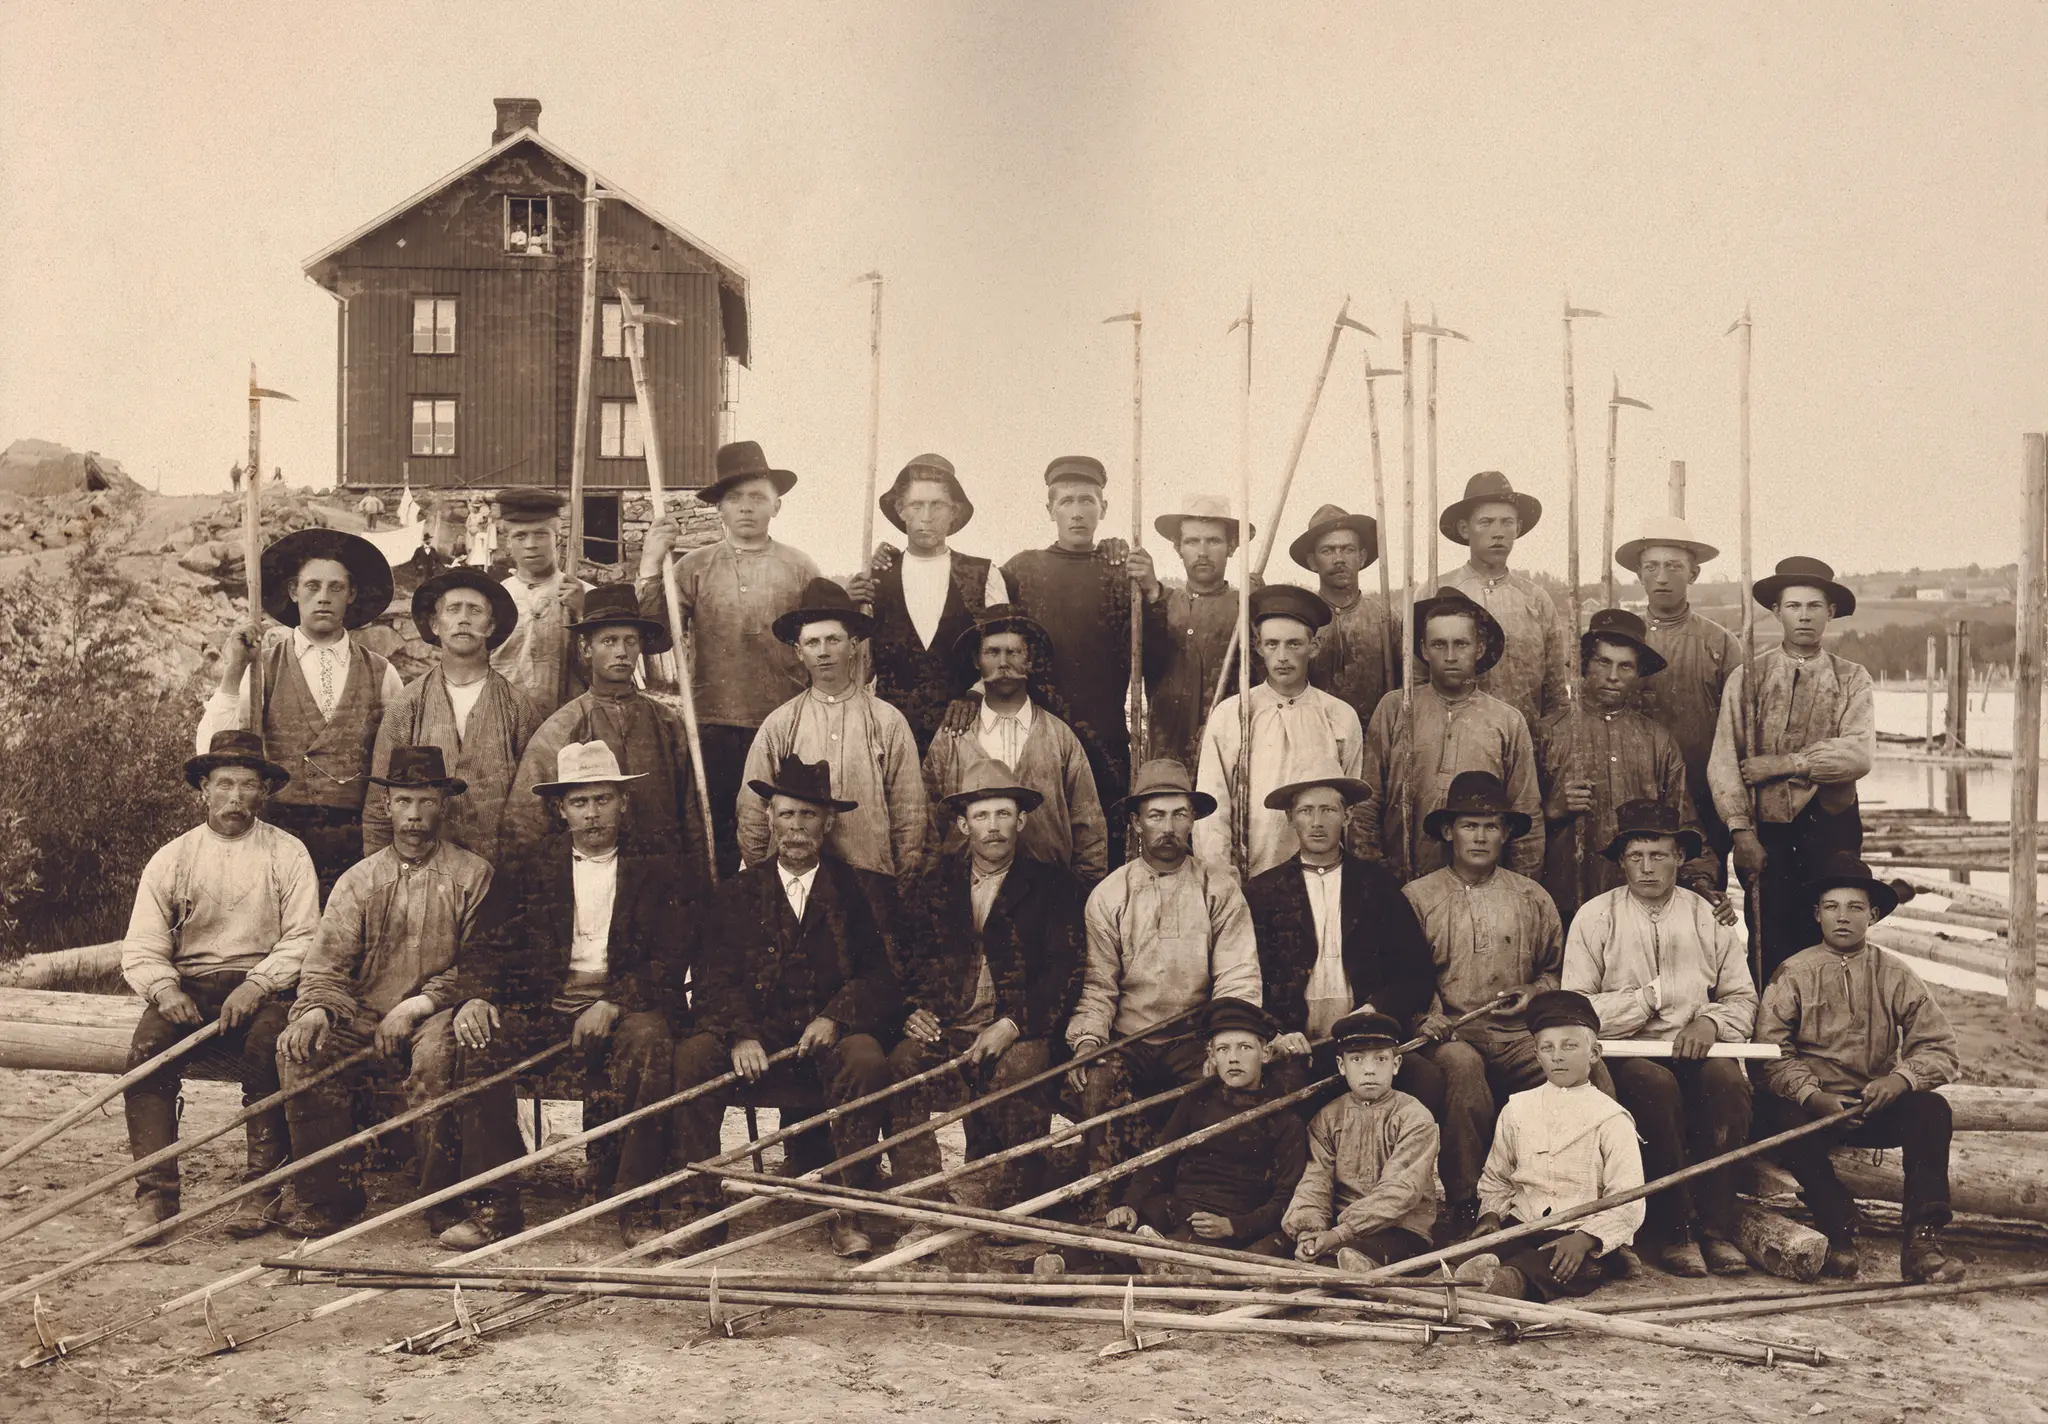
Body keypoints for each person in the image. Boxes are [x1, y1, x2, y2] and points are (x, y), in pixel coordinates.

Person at [440, 741, 689, 1248]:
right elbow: (488, 943)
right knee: (481, 1040)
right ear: (560, 809)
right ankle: (495, 1206)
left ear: (624, 803)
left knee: (650, 1040)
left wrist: (615, 1001)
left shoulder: (660, 865)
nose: (592, 814)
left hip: (626, 1009)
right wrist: (478, 996)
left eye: (602, 800)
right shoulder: (531, 866)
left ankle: (635, 1203)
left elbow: (672, 955)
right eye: (580, 803)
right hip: (548, 1008)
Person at [663, 758, 900, 1257]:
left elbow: (879, 976)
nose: (796, 828)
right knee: (691, 1057)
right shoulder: (735, 893)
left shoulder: (859, 891)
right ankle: (702, 1208)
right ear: (769, 818)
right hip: (759, 1035)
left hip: (828, 1033)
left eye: (809, 816)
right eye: (787, 815)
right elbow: (712, 976)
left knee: (867, 1059)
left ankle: (846, 1205)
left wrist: (836, 1016)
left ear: (828, 823)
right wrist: (739, 1034)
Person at [271, 746, 489, 1235]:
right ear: (387, 805)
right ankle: (331, 1199)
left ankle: (441, 1201)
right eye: (404, 801)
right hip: (363, 1013)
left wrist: (418, 1006)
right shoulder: (360, 881)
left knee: (436, 1058)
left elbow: (479, 966)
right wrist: (316, 1012)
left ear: (444, 805)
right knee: (302, 1052)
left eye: (426, 802)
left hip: (438, 1012)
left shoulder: (472, 876)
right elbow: (326, 966)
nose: (414, 815)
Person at [118, 731, 319, 1238]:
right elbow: (142, 945)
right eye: (224, 784)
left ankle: (262, 1191)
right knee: (146, 1057)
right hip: (192, 987)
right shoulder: (174, 857)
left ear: (264, 792)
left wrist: (260, 983)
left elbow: (304, 937)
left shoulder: (287, 853)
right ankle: (157, 1197)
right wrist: (165, 990)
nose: (236, 798)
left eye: (248, 785)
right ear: (202, 789)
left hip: (268, 986)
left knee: (269, 1053)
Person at [1562, 799, 1757, 1277]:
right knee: (1654, 1086)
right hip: (1626, 1054)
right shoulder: (1596, 916)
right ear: (1622, 860)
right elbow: (1577, 1011)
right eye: (1636, 856)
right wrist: (1647, 999)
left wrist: (1710, 1023)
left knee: (1727, 1083)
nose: (1647, 868)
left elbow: (1743, 999)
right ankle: (1676, 1231)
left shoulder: (1705, 916)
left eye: (1659, 855)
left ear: (1679, 858)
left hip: (1696, 1046)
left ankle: (1715, 1227)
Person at [1753, 855, 1965, 1284]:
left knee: (1931, 1110)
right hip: (1814, 1108)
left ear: (1873, 915)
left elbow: (1940, 1048)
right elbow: (1767, 1053)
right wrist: (1812, 1095)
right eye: (1831, 907)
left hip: (1872, 1103)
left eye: (1855, 907)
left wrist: (1899, 1080)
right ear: (1817, 914)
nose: (1843, 918)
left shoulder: (1896, 973)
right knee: (1778, 1115)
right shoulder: (1794, 973)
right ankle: (1839, 1229)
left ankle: (1921, 1240)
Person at [888, 762, 1086, 1213]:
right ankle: (922, 1199)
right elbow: (901, 959)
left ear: (1022, 820)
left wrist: (1014, 1024)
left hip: (1017, 1027)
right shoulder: (934, 885)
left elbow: (1065, 972)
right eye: (981, 816)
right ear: (963, 824)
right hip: (947, 1026)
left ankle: (1015, 1200)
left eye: (1003, 814)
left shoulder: (1053, 887)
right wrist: (911, 1009)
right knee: (902, 1064)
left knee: (1021, 1068)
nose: (993, 827)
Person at [1065, 759, 1262, 1196]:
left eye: (1179, 814)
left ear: (1193, 819)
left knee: (1220, 1090)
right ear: (1136, 823)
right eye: (1156, 815)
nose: (1168, 827)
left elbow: (1237, 977)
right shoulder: (1111, 895)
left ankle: (1194, 1203)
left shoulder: (1219, 888)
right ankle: (1102, 1205)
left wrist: (1223, 1043)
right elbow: (1098, 984)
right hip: (1129, 1040)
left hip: (1193, 1040)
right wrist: (1088, 1041)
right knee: (1097, 1084)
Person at [638, 441, 820, 875]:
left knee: (783, 835)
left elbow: (823, 641)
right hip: (713, 724)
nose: (746, 508)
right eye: (734, 498)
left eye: (757, 497)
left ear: (777, 505)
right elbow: (654, 638)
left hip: (785, 724)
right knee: (717, 835)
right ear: (718, 507)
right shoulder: (693, 567)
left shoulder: (800, 568)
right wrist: (649, 561)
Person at [1402, 771, 1567, 1236]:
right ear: (1448, 831)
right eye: (1469, 825)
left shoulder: (1532, 897)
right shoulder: (1419, 897)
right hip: (1450, 1034)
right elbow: (1405, 974)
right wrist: (1427, 1016)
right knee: (1462, 1069)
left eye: (1491, 825)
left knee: (1580, 1072)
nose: (1480, 836)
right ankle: (1467, 1204)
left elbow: (1556, 971)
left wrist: (1534, 992)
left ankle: (1583, 1205)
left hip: (1517, 1035)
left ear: (1507, 833)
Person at [196, 528, 403, 897]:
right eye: (312, 586)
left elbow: (399, 763)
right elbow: (212, 750)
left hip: (357, 839)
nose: (323, 598)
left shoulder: (382, 673)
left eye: (336, 588)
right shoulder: (263, 670)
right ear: (294, 592)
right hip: (280, 833)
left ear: (351, 595)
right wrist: (234, 671)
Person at [1708, 556, 1876, 978]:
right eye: (1794, 606)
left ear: (1831, 612)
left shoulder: (1852, 678)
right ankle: (1772, 1031)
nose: (1804, 616)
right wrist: (1741, 834)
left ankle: (1832, 1024)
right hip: (1768, 831)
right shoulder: (1748, 677)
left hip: (1831, 826)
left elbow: (1858, 755)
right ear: (1777, 611)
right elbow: (1725, 762)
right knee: (1768, 933)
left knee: (1835, 929)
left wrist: (1786, 764)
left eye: (1815, 606)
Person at [1244, 776, 1442, 1113]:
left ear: (1347, 817)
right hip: (1297, 1045)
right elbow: (1246, 977)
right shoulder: (1263, 892)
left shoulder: (1378, 885)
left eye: (1328, 810)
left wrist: (1376, 1007)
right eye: (1306, 811)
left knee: (1427, 1079)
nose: (1317, 823)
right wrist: (1275, 1032)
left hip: (1368, 1041)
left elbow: (1417, 974)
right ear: (1291, 819)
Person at [738, 579, 926, 909]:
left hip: (868, 883)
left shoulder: (886, 721)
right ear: (799, 651)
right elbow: (753, 813)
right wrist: (770, 880)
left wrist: (897, 882)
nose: (823, 652)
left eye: (833, 640)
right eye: (812, 643)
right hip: (796, 890)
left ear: (852, 645)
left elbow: (908, 811)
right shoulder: (781, 724)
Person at [502, 583, 710, 875]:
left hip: (661, 877)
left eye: (631, 641)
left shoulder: (667, 723)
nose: (622, 652)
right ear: (587, 648)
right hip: (589, 875)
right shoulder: (562, 727)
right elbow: (526, 821)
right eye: (609, 641)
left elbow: (691, 814)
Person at [1453, 990, 1646, 1301]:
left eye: (1570, 1046)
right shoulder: (1517, 1108)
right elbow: (1497, 1177)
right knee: (1464, 1255)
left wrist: (1586, 1238)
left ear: (1594, 1053)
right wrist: (1490, 1215)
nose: (1557, 1055)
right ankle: (1422, 1284)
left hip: (1578, 1234)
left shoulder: (1611, 1118)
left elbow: (1628, 1200)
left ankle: (1501, 1286)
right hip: (1522, 1224)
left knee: (1550, 1268)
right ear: (1536, 1053)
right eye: (1547, 1047)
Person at [1535, 608, 1718, 923]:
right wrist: (1552, 810)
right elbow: (1513, 826)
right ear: (1583, 665)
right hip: (1564, 899)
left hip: (1640, 903)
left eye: (1625, 666)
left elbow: (1684, 822)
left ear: (1638, 674)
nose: (1613, 676)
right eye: (1603, 662)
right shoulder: (1547, 732)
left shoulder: (1656, 741)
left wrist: (1701, 882)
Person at [999, 455, 1151, 827]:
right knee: (1041, 836)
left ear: (1104, 507)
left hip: (1106, 735)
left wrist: (1149, 586)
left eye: (1087, 500)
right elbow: (986, 632)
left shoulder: (1120, 571)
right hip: (1038, 731)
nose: (1078, 512)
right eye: (1066, 502)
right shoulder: (1023, 569)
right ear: (1050, 510)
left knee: (1104, 839)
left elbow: (1153, 649)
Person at [1358, 589, 1544, 881]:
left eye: (1461, 644)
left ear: (1479, 649)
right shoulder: (1395, 708)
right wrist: (1369, 875)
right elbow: (1367, 803)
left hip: (1481, 883)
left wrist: (1521, 888)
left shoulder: (1506, 720)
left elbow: (1525, 810)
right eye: (1439, 644)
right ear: (1423, 649)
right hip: (1399, 876)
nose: (1450, 656)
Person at [1105, 999, 1308, 1261]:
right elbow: (1161, 1159)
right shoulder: (1197, 1100)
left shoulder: (1283, 1117)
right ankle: (1057, 1262)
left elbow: (1285, 1198)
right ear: (1212, 1056)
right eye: (1223, 1049)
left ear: (1265, 1054)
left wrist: (1234, 1226)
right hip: (1178, 1207)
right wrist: (1129, 1204)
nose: (1233, 1058)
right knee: (1117, 1233)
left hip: (1228, 1223)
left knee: (1173, 1253)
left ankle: (1160, 1262)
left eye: (1244, 1047)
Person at [922, 605, 1108, 884]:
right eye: (992, 652)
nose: (1003, 663)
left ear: (1029, 661)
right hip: (966, 893)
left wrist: (1080, 891)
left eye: (1014, 652)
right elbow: (928, 821)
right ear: (977, 661)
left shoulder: (1059, 736)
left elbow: (1088, 824)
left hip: (1047, 897)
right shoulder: (953, 737)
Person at [366, 568, 541, 860]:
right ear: (435, 623)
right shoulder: (408, 703)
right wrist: (382, 874)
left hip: (496, 866)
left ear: (490, 625)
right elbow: (378, 802)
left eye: (475, 610)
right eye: (453, 609)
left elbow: (533, 804)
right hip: (420, 866)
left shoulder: (518, 707)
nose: (463, 619)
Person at [1194, 585, 1362, 880]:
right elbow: (1213, 805)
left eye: (1294, 644)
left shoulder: (1338, 716)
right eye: (1272, 644)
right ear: (1258, 648)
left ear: (1314, 647)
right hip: (1250, 873)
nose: (1282, 656)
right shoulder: (1233, 714)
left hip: (1322, 875)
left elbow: (1352, 809)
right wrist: (1221, 876)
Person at [845, 454, 1007, 753]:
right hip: (889, 734)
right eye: (916, 505)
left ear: (954, 512)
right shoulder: (875, 578)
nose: (927, 515)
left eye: (938, 505)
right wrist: (849, 607)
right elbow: (856, 666)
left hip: (966, 731)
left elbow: (1005, 651)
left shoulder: (983, 575)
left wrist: (976, 694)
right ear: (901, 510)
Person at [1618, 515, 1737, 880]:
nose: (1663, 577)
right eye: (1652, 567)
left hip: (1702, 791)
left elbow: (1739, 727)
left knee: (1701, 889)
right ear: (1639, 575)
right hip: (1632, 788)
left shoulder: (1719, 643)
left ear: (1694, 573)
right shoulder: (1622, 642)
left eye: (1674, 566)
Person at [1279, 1009, 1441, 1269]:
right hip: (1337, 1228)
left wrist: (1338, 1234)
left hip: (1401, 1228)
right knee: (1298, 1252)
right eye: (1356, 1060)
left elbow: (1399, 1193)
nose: (1369, 1070)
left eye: (1380, 1059)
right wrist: (1308, 1231)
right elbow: (1314, 1180)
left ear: (1396, 1064)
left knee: (1338, 1261)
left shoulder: (1415, 1117)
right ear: (1341, 1066)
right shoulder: (1327, 1118)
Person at [1433, 471, 1571, 729]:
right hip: (1456, 737)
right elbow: (1418, 682)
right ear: (1465, 529)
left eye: (1507, 522)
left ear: (1517, 529)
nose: (1498, 533)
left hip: (1528, 740)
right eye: (1486, 522)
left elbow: (1556, 692)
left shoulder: (1536, 599)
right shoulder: (1437, 592)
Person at [1140, 494, 1256, 774]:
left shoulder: (1249, 606)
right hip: (1167, 758)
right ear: (1178, 547)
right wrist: (1150, 594)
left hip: (1231, 758)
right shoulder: (1159, 603)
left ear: (1231, 546)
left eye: (1214, 541)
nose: (1202, 551)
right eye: (1192, 541)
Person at [1291, 504, 1398, 732]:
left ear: (1361, 557)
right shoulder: (1300, 621)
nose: (1339, 559)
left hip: (1374, 741)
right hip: (1311, 737)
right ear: (1312, 561)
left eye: (1347, 549)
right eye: (1328, 551)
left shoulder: (1387, 619)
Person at [491, 488, 588, 721]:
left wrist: (586, 613)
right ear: (507, 542)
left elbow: (607, 668)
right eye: (520, 536)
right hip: (504, 724)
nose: (531, 544)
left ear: (558, 538)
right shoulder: (493, 599)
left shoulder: (584, 594)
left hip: (570, 724)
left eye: (541, 534)